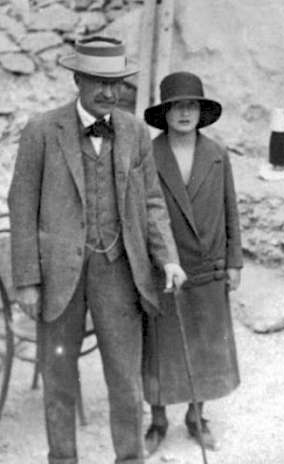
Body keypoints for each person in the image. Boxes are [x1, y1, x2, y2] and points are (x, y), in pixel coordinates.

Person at [8, 37, 186, 464]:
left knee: (125, 379)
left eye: (116, 82)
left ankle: (129, 458)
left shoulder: (134, 130)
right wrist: (28, 281)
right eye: (98, 81)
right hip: (57, 278)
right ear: (77, 78)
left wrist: (169, 259)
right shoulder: (41, 130)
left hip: (118, 271)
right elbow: (22, 206)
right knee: (60, 378)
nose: (109, 92)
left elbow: (151, 202)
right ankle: (63, 459)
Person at [142, 71, 243, 454]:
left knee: (203, 345)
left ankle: (196, 416)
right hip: (164, 267)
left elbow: (230, 209)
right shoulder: (148, 154)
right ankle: (157, 419)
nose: (184, 113)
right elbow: (143, 213)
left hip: (209, 267)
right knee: (161, 348)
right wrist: (158, 258)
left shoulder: (217, 155)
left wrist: (234, 262)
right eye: (176, 106)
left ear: (201, 112)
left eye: (191, 106)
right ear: (164, 113)